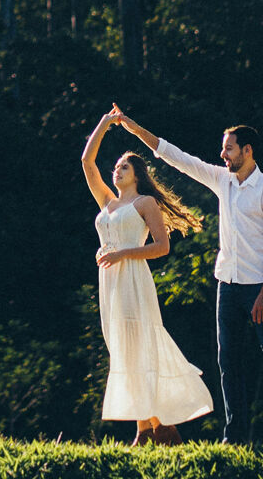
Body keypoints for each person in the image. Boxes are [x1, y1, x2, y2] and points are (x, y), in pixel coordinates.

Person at [111, 106, 263, 445]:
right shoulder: (223, 180)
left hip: (260, 289)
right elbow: (175, 157)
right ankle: (234, 437)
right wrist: (133, 128)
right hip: (228, 287)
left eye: (229, 148)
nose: (223, 154)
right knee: (228, 363)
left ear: (247, 151)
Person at [81, 106, 213, 445]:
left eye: (124, 165)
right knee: (123, 350)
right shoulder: (107, 204)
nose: (117, 170)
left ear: (137, 173)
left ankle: (154, 428)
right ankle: (154, 427)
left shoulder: (144, 203)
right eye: (116, 166)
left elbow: (162, 247)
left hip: (133, 279)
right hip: (109, 283)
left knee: (139, 348)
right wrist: (105, 123)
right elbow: (86, 162)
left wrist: (121, 252)